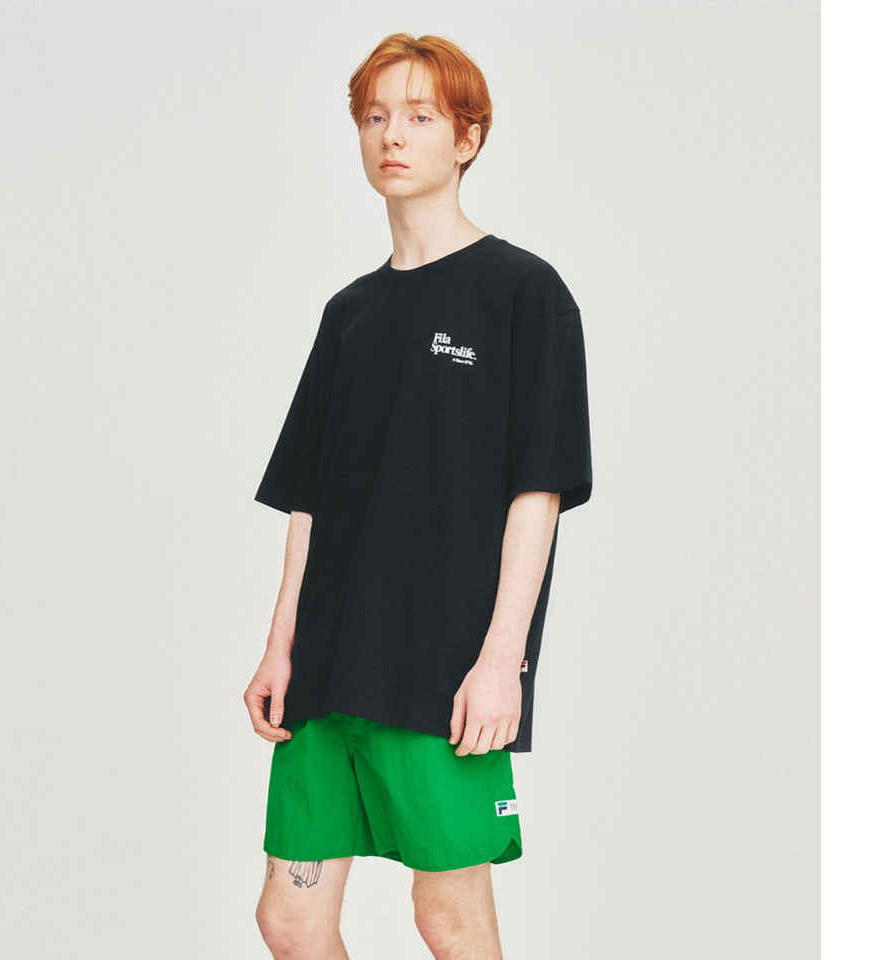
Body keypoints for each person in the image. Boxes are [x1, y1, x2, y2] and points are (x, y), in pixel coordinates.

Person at [244, 32, 592, 959]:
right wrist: (280, 646)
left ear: (467, 138)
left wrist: (502, 661)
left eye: (419, 116)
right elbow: (309, 499)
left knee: (447, 916)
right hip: (327, 666)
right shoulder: (349, 314)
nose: (391, 136)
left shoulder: (524, 294)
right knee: (289, 919)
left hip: (443, 667)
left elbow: (539, 493)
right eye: (374, 117)